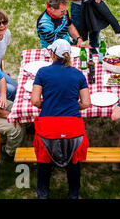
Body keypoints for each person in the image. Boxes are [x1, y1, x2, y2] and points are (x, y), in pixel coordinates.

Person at [30, 39, 91, 199]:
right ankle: (74, 194)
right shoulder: (78, 74)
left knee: (44, 161)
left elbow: (35, 100)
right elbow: (86, 103)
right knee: (73, 161)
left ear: (52, 54)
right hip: (73, 129)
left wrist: (50, 104)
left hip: (48, 128)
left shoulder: (42, 72)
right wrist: (70, 105)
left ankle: (43, 194)